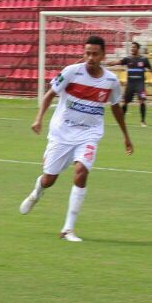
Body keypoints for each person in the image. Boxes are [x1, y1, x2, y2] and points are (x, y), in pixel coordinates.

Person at [19, 35, 133, 242]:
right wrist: (38, 119)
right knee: (49, 179)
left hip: (89, 134)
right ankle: (37, 193)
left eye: (95, 54)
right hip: (62, 133)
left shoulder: (110, 81)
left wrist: (126, 136)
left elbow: (116, 108)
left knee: (81, 172)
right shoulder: (71, 72)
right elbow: (49, 94)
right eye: (87, 53)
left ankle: (68, 229)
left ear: (103, 55)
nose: (90, 57)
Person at [108, 41, 152, 127]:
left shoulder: (144, 60)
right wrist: (107, 63)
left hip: (140, 84)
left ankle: (143, 121)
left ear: (138, 49)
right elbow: (117, 62)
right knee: (125, 102)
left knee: (142, 101)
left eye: (134, 47)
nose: (132, 49)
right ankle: (121, 120)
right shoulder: (128, 59)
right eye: (132, 47)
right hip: (130, 84)